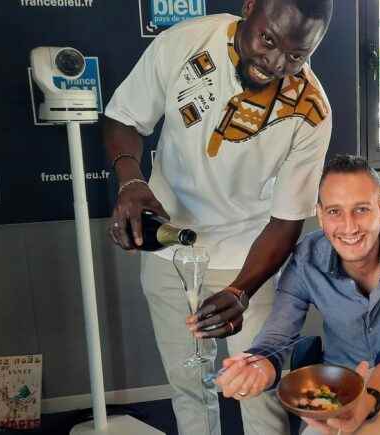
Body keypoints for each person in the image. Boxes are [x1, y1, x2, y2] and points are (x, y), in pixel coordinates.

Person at [103, 1, 334, 434]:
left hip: (249, 253)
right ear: (249, 8)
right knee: (188, 384)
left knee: (258, 387)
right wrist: (131, 183)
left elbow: (286, 221)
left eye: (296, 55)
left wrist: (242, 291)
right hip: (170, 246)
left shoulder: (311, 113)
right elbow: (123, 118)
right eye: (268, 40)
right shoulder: (186, 43)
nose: (275, 62)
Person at [216, 155, 380, 434]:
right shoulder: (304, 258)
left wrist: (368, 399)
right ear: (321, 215)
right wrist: (258, 366)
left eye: (361, 209)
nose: (349, 226)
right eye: (335, 211)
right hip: (339, 388)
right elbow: (277, 337)